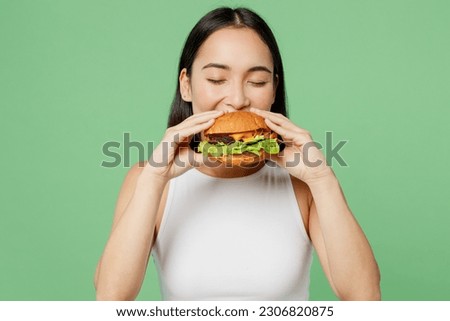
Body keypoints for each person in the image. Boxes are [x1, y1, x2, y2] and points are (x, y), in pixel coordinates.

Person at [94, 7, 381, 301]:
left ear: (273, 91)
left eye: (256, 82)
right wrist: (154, 178)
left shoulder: (302, 184)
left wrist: (323, 179)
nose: (237, 99)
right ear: (186, 85)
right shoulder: (149, 180)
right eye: (217, 79)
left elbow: (364, 296)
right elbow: (111, 298)